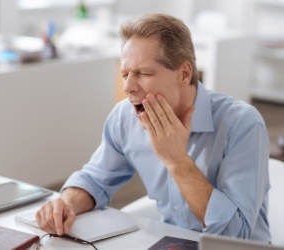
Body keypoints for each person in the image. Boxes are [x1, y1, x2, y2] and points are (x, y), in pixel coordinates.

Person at [36, 13, 270, 242]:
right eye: (125, 73)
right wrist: (66, 204)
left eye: (143, 73)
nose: (128, 87)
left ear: (184, 73)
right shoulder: (124, 117)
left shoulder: (242, 124)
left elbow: (236, 238)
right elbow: (95, 180)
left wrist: (177, 160)